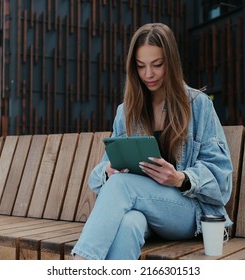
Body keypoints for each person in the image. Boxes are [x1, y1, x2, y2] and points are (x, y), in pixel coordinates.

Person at [71, 22, 233, 260]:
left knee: (121, 185)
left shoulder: (198, 104)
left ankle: (80, 265)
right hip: (143, 210)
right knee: (128, 224)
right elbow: (98, 177)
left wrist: (180, 178)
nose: (148, 74)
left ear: (172, 62)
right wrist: (108, 170)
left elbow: (221, 180)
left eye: (157, 65)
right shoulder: (126, 112)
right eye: (141, 66)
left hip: (187, 212)